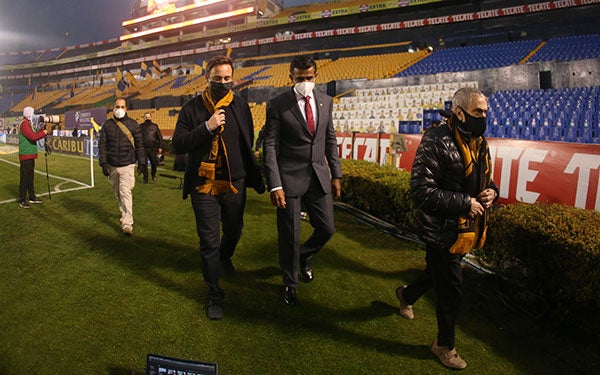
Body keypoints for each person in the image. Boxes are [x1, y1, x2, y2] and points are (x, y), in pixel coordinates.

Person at [395, 87, 498, 370]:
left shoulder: (479, 141)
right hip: (440, 230)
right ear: (460, 112)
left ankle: (405, 295)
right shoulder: (436, 140)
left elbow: (483, 180)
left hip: (466, 229)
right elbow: (420, 191)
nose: (484, 116)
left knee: (435, 275)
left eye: (486, 111)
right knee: (451, 287)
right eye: (478, 111)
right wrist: (465, 203)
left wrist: (491, 192)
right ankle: (444, 345)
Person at [171, 55, 265, 320]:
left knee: (234, 231)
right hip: (204, 186)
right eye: (217, 79)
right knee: (208, 242)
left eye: (227, 78)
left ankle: (225, 257)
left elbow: (247, 140)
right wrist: (207, 127)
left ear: (232, 78)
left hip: (236, 183)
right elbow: (178, 144)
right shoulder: (191, 108)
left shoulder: (241, 106)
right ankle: (214, 292)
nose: (223, 83)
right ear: (207, 78)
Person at [263, 56, 342, 306]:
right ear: (291, 78)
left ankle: (304, 256)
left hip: (319, 176)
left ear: (316, 76)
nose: (305, 82)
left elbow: (329, 139)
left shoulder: (326, 101)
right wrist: (275, 184)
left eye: (309, 78)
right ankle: (289, 283)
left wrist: (336, 174)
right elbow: (270, 145)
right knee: (290, 235)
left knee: (327, 228)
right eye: (300, 78)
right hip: (289, 179)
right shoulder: (277, 104)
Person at [98, 97, 146, 236]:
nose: (119, 109)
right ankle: (124, 214)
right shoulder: (107, 125)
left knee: (125, 192)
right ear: (113, 108)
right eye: (117, 106)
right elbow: (102, 146)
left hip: (128, 164)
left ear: (126, 109)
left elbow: (139, 145)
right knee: (118, 193)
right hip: (112, 165)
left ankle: (127, 224)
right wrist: (103, 163)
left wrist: (142, 163)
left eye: (122, 107)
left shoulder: (133, 124)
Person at [18, 106, 47, 208]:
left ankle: (31, 197)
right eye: (33, 113)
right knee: (25, 178)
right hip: (26, 154)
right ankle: (22, 199)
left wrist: (40, 129)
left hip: (29, 154)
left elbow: (34, 134)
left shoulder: (27, 124)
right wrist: (43, 133)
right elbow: (33, 136)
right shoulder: (24, 124)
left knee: (30, 178)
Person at [140, 112, 164, 183]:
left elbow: (160, 137)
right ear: (144, 118)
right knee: (144, 164)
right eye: (146, 117)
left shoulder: (155, 126)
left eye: (148, 117)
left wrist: (160, 147)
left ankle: (153, 174)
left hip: (152, 148)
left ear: (151, 117)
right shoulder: (140, 126)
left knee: (154, 163)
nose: (147, 118)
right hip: (143, 148)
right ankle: (145, 179)